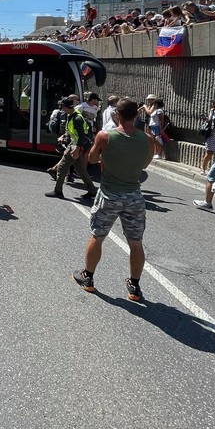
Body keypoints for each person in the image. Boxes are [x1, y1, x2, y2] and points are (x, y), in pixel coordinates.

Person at [72, 98, 155, 301]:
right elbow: (144, 164)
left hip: (109, 194)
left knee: (97, 236)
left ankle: (88, 278)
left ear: (116, 115)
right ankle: (134, 287)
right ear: (136, 116)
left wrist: (104, 155)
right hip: (134, 196)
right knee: (136, 243)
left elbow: (91, 159)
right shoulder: (147, 139)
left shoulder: (105, 136)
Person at [45, 98, 95, 200]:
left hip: (75, 146)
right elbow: (72, 131)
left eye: (62, 107)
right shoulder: (71, 115)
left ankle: (58, 191)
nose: (61, 109)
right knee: (81, 170)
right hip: (75, 145)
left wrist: (76, 149)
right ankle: (92, 191)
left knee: (62, 167)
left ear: (66, 107)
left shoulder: (77, 119)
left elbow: (81, 136)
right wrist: (64, 136)